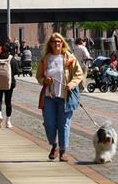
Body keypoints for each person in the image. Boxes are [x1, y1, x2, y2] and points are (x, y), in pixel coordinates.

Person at [36, 33, 85, 161]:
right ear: (50, 44)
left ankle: (63, 150)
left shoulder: (69, 57)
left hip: (65, 97)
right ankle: (54, 145)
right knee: (49, 123)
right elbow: (39, 76)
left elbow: (79, 74)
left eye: (59, 41)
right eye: (54, 42)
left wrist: (71, 84)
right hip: (49, 97)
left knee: (64, 124)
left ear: (62, 43)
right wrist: (44, 80)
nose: (57, 44)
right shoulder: (46, 59)